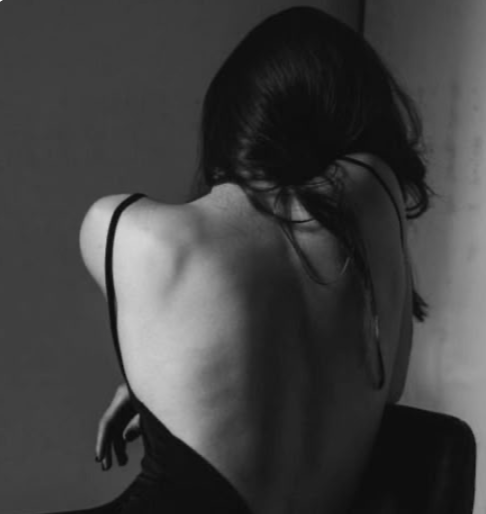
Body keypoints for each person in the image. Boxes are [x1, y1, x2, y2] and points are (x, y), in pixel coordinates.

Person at [60, 5, 431, 514]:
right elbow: (389, 388)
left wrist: (163, 392)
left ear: (234, 118)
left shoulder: (120, 225)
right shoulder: (376, 191)